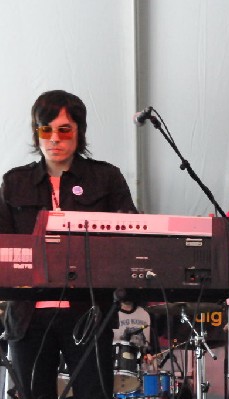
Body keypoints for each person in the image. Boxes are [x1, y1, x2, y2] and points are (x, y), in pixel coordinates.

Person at [0, 89, 137, 399]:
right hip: (27, 315)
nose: (54, 138)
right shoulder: (14, 182)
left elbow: (131, 240)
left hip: (87, 313)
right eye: (45, 129)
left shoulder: (107, 178)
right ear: (36, 134)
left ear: (79, 132)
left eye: (64, 129)